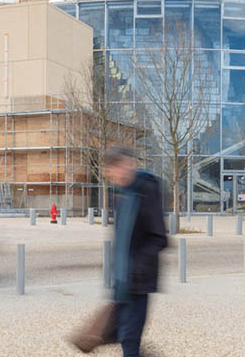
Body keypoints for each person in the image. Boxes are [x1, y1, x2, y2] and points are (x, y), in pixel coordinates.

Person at [104, 145, 168, 357]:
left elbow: (159, 238)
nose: (112, 173)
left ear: (128, 165)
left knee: (129, 339)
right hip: (121, 283)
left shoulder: (145, 190)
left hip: (138, 282)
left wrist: (136, 267)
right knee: (124, 337)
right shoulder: (119, 194)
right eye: (109, 169)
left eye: (115, 167)